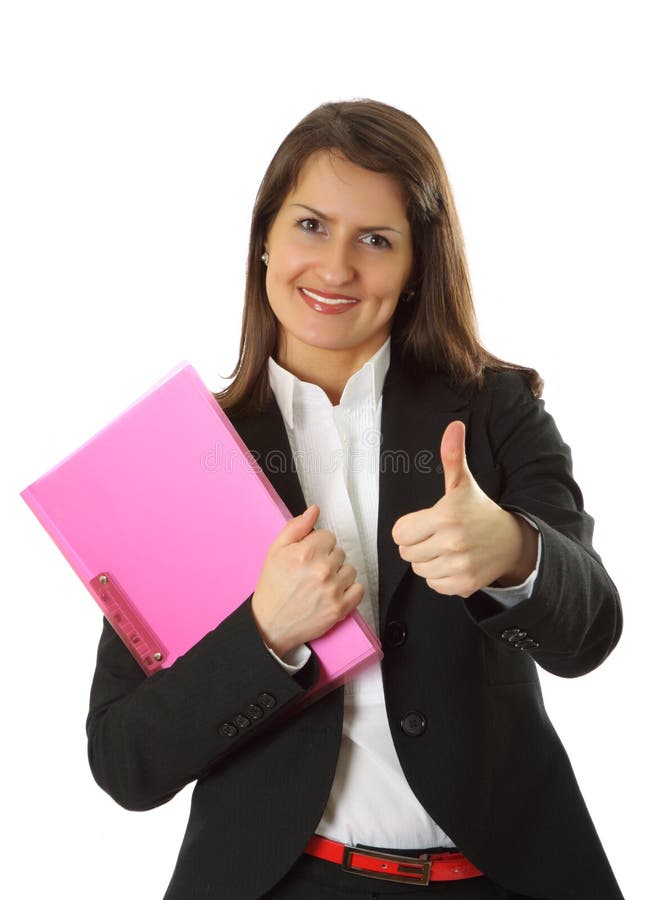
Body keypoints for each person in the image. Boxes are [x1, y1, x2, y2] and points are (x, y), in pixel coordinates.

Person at [86, 99, 624, 899]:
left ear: (415, 266)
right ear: (263, 236)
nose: (335, 269)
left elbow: (589, 635)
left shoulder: (495, 409)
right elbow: (127, 761)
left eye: (375, 240)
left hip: (501, 876)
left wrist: (513, 551)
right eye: (310, 226)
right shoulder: (181, 458)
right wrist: (265, 634)